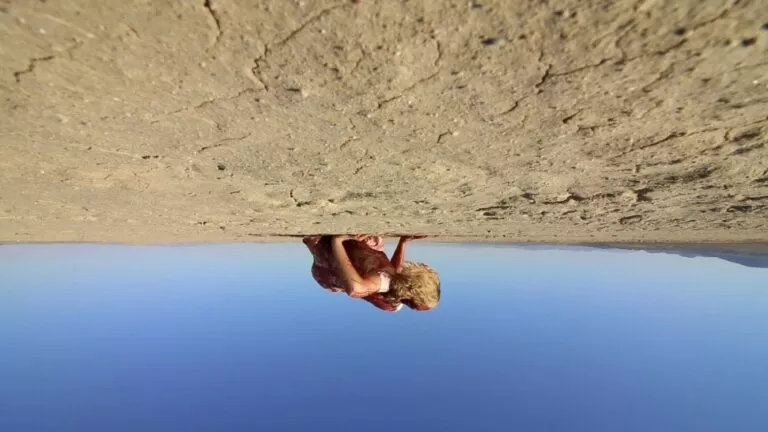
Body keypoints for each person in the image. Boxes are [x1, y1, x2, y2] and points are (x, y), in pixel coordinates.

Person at [302, 234, 440, 312]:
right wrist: (403, 242)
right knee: (373, 241)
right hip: (355, 259)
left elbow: (355, 289)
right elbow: (395, 269)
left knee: (320, 243)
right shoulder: (395, 284)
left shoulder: (381, 287)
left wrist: (337, 242)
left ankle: (317, 245)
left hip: (330, 270)